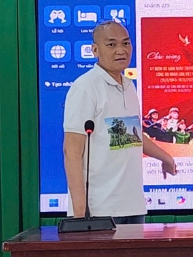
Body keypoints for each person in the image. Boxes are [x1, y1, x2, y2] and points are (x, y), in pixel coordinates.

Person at [63, 20, 177, 224]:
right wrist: (79, 214)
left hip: (133, 206)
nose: (121, 50)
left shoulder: (128, 86)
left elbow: (131, 135)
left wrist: (165, 157)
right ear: (95, 50)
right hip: (99, 209)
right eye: (111, 44)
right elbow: (71, 151)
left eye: (126, 43)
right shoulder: (86, 87)